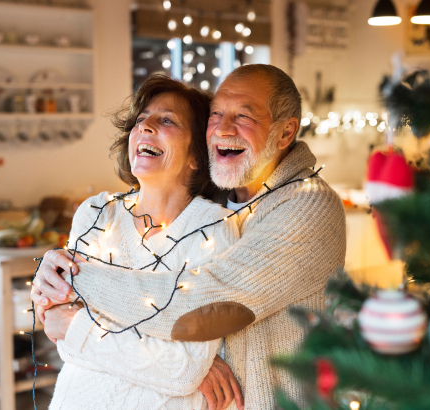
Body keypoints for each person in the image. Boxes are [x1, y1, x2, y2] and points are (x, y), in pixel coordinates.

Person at [34, 64, 346, 409]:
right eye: (216, 114)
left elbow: (207, 304)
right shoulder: (215, 197)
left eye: (244, 115)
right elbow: (58, 322)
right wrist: (195, 364)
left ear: (285, 133)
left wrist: (72, 279)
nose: (224, 128)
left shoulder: (306, 204)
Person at [46, 75, 243, 410]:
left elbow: (182, 371)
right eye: (140, 120)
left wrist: (79, 328)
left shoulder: (212, 230)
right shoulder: (97, 213)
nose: (145, 127)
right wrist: (158, 351)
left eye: (166, 120)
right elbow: (59, 333)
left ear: (197, 155)